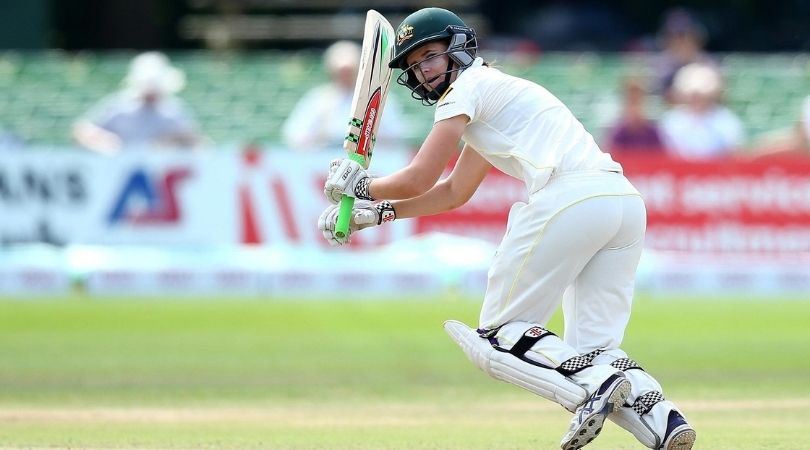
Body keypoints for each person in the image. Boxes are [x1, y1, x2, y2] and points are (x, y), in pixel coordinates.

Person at [318, 8, 695, 450]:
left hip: (569, 197)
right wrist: (376, 211)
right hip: (623, 204)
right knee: (596, 345)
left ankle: (594, 382)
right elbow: (454, 191)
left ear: (457, 48)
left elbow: (420, 175)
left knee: (499, 334)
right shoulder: (495, 93)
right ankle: (665, 423)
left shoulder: (465, 91)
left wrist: (360, 183)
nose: (423, 73)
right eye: (415, 66)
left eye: (430, 58)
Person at [281, 40, 406, 151]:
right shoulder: (317, 99)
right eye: (341, 71)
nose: (345, 76)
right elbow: (294, 135)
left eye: (349, 71)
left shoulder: (378, 97)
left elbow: (395, 135)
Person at [72, 51, 202, 154]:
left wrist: (174, 141)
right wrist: (104, 141)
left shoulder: (174, 110)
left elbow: (195, 141)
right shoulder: (119, 105)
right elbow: (82, 130)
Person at [659, 62, 745, 160]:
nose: (697, 99)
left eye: (701, 95)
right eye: (693, 95)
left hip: (717, 172)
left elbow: (734, 151)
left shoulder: (726, 119)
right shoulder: (671, 120)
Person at [604, 78, 664, 156]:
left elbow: (660, 157)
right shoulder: (617, 133)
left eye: (638, 103)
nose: (635, 109)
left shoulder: (652, 132)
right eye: (632, 103)